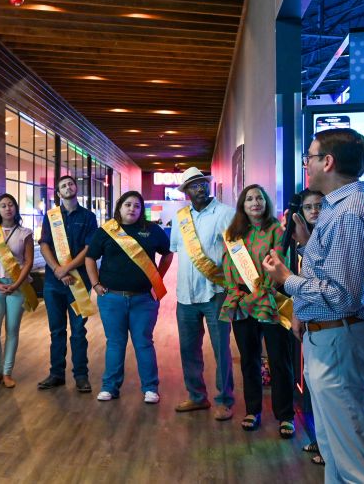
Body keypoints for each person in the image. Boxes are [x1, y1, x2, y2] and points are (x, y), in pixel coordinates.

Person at [263, 128, 364, 482]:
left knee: (355, 460)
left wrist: (287, 279)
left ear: (328, 162)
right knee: (335, 451)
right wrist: (306, 248)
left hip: (341, 339)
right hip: (331, 339)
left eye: (310, 158)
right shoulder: (343, 207)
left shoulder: (349, 212)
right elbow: (337, 274)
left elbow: (345, 296)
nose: (307, 165)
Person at [219, 184, 295, 437]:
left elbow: (278, 263)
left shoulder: (276, 229)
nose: (255, 203)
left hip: (268, 299)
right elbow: (228, 266)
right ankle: (253, 410)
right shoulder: (233, 232)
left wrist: (261, 291)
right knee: (249, 359)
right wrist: (237, 292)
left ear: (265, 202)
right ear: (242, 204)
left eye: (259, 198)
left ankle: (285, 415)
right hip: (241, 302)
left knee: (279, 360)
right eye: (249, 199)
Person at [85, 191, 172, 403]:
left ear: (141, 210)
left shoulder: (152, 230)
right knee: (115, 343)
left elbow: (167, 254)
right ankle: (110, 387)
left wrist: (157, 280)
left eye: (136, 206)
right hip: (111, 298)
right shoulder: (107, 230)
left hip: (143, 299)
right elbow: (90, 257)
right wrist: (95, 284)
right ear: (120, 207)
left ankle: (150, 388)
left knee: (143, 342)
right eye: (128, 205)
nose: (132, 209)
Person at [170, 167, 236, 420]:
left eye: (202, 183)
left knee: (221, 348)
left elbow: (235, 251)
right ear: (186, 191)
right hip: (185, 294)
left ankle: (224, 400)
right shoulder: (180, 218)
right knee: (188, 349)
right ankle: (197, 397)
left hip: (216, 292)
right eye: (193, 185)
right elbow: (177, 249)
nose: (199, 188)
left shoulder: (226, 214)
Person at [38, 175, 98, 393]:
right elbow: (44, 245)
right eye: (63, 186)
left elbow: (89, 248)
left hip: (79, 283)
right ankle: (56, 374)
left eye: (70, 184)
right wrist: (57, 269)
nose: (67, 187)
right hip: (53, 284)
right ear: (58, 192)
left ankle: (81, 375)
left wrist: (67, 268)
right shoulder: (51, 216)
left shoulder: (89, 217)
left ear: (76, 188)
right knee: (56, 331)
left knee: (79, 331)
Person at [0, 193, 35, 389]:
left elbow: (28, 261)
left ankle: (7, 372)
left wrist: (17, 283)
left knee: (12, 331)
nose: (7, 208)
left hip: (17, 286)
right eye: (3, 205)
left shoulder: (25, 232)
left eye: (11, 205)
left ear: (16, 208)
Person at [294, 188, 325, 466]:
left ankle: (330, 447)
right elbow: (300, 281)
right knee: (313, 385)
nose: (314, 211)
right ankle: (320, 439)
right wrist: (297, 313)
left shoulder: (333, 235)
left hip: (333, 324)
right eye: (308, 207)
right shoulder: (299, 239)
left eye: (319, 205)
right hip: (309, 322)